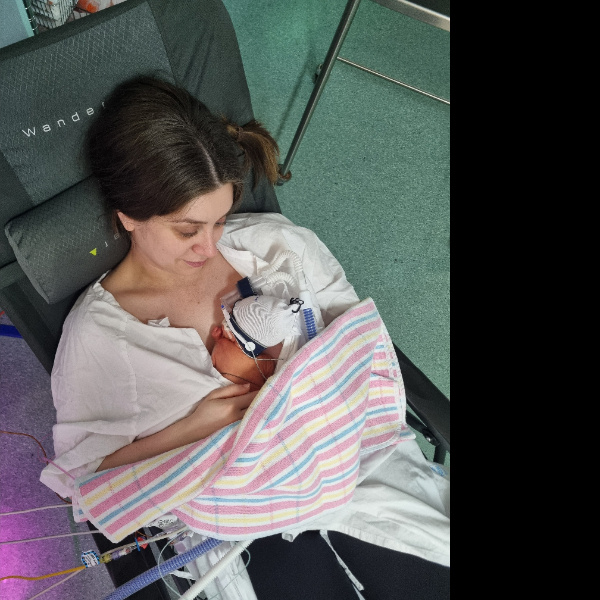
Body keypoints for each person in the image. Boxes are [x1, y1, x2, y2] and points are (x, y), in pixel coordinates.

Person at [40, 77, 449, 600]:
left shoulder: (276, 246)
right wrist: (196, 425)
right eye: (187, 230)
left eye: (220, 219)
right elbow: (87, 483)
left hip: (355, 463)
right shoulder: (100, 337)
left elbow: (358, 349)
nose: (208, 246)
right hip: (244, 522)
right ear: (128, 216)